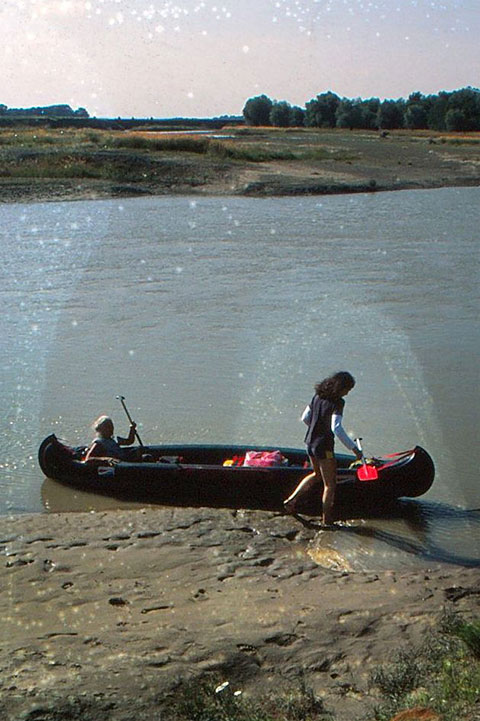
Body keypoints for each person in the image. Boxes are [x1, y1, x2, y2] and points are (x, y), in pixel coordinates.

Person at [283, 371, 363, 526]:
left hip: (309, 443)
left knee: (316, 474)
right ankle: (327, 519)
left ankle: (291, 500)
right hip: (324, 447)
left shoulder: (317, 396)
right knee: (330, 484)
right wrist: (354, 449)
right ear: (341, 388)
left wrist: (316, 428)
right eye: (348, 389)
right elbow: (336, 428)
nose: (347, 393)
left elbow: (306, 417)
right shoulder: (338, 402)